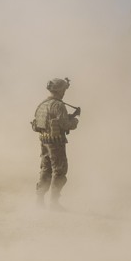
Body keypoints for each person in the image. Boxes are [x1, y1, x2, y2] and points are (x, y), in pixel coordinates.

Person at [32, 77, 79, 210]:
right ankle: (54, 203)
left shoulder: (42, 104)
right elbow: (64, 125)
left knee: (45, 169)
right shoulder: (58, 105)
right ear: (59, 91)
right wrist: (74, 121)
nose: (64, 92)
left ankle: (39, 200)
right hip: (56, 143)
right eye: (63, 89)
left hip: (44, 141)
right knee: (59, 171)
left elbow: (43, 123)